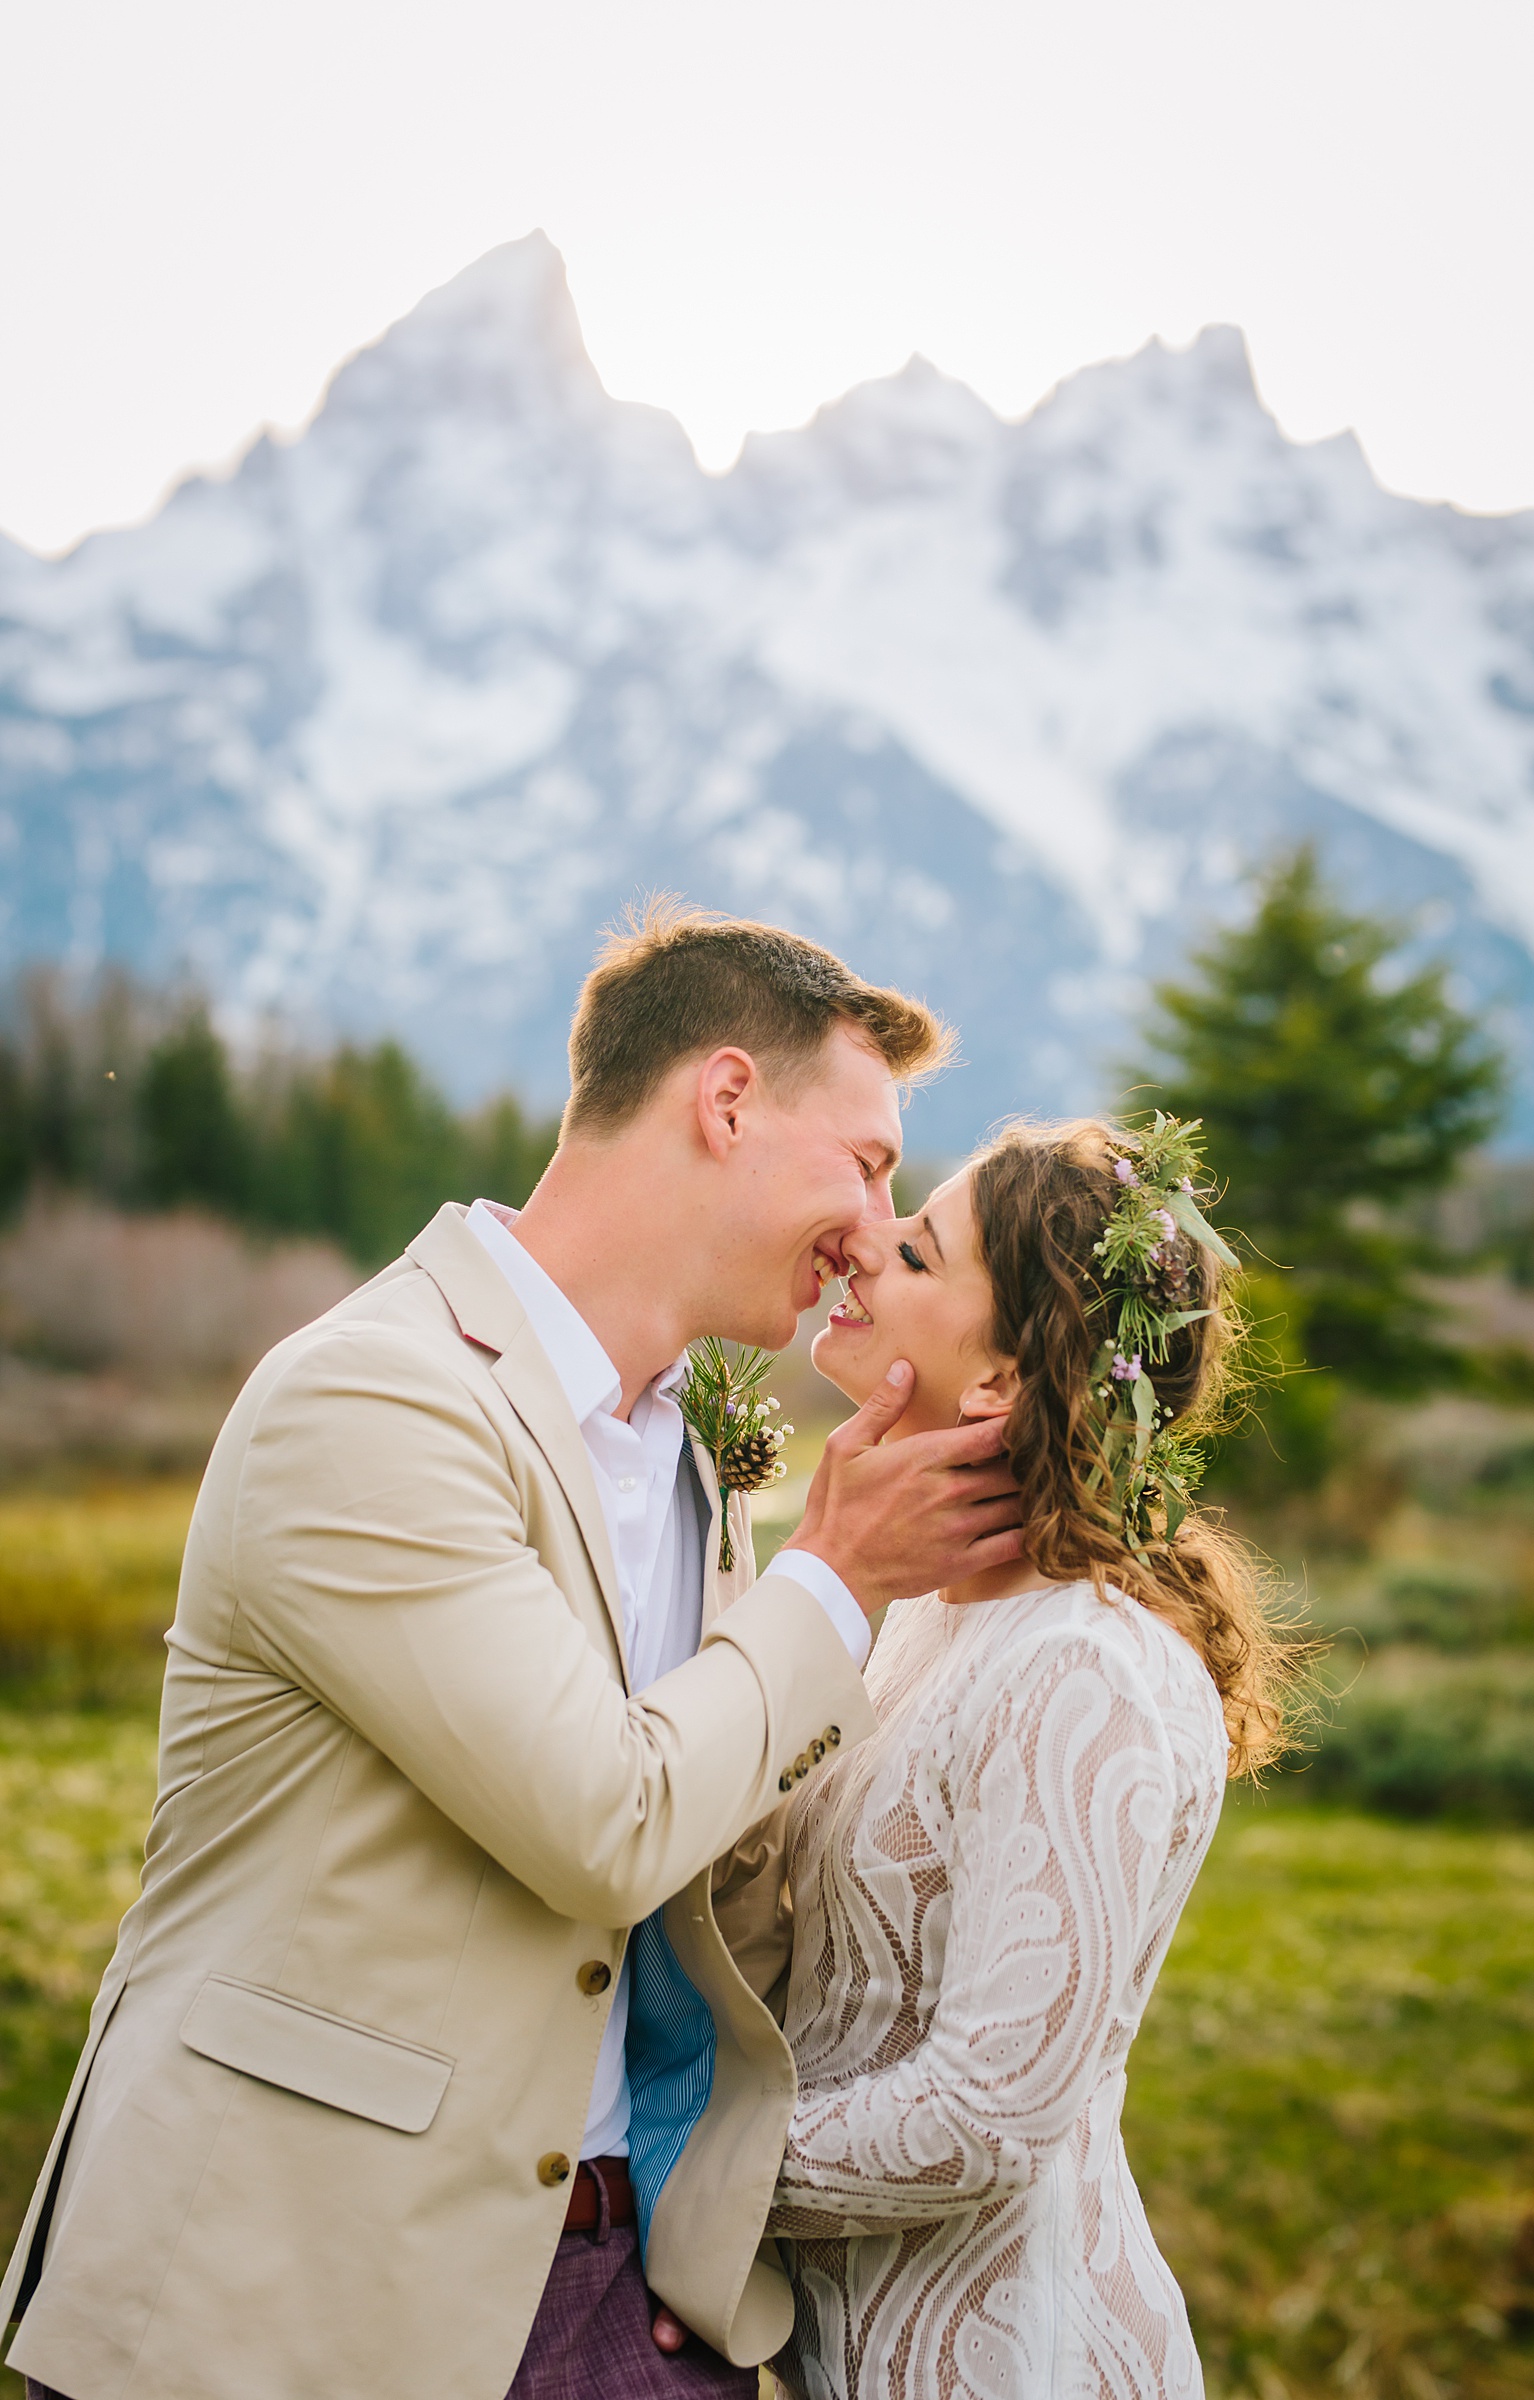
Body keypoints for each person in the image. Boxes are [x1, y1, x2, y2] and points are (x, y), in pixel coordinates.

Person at [0, 906, 1025, 2400]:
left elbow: (706, 1889)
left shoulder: (695, 1461)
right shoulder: (371, 1400)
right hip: (292, 2299)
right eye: (867, 1165)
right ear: (726, 1099)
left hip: (621, 2298)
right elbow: (604, 1822)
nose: (878, 1232)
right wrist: (839, 1575)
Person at [765, 1117, 1302, 2400]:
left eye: (915, 1252)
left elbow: (989, 2112)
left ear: (1001, 1378)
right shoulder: (934, 1612)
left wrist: (662, 2171)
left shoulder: (1087, 1670)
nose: (862, 1257)